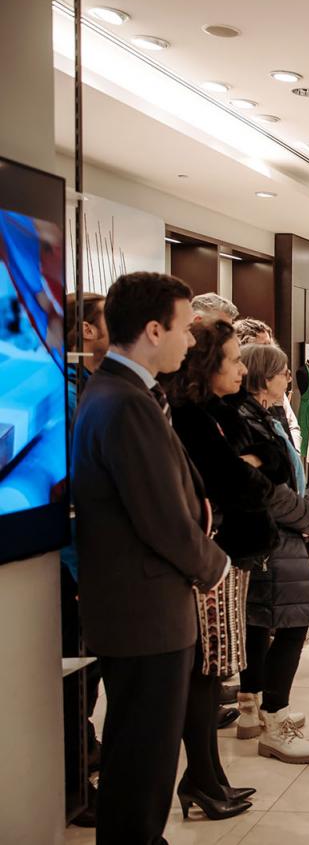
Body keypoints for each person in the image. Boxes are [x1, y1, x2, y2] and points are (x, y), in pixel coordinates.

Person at [71, 272, 229, 843]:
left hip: (143, 611)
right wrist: (215, 566)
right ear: (154, 329)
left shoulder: (127, 394)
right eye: (185, 329)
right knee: (143, 760)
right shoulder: (123, 403)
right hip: (145, 613)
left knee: (142, 757)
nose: (191, 343)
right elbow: (162, 517)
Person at [163, 319, 281, 821]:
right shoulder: (190, 416)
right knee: (207, 668)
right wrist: (246, 468)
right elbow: (234, 481)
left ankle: (208, 775)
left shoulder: (224, 410)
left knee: (214, 669)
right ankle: (202, 776)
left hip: (233, 552)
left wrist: (251, 466)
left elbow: (273, 463)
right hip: (212, 556)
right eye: (233, 358)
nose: (241, 367)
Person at [233, 343, 309, 764]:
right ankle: (275, 716)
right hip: (277, 536)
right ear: (263, 376)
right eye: (283, 371)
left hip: (283, 535)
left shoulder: (266, 417)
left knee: (267, 621)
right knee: (291, 622)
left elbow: (292, 474)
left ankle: (256, 706)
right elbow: (268, 490)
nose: (290, 378)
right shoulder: (247, 421)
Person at [60, 292, 109, 827]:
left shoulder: (94, 388)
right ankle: (74, 785)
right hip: (73, 560)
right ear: (88, 332)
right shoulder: (69, 393)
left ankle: (83, 764)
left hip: (88, 558)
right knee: (76, 677)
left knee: (87, 673)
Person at [233, 316, 302, 450]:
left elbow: (291, 424)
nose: (270, 351)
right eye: (263, 346)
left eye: (270, 345)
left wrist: (293, 452)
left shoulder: (276, 389)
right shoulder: (236, 399)